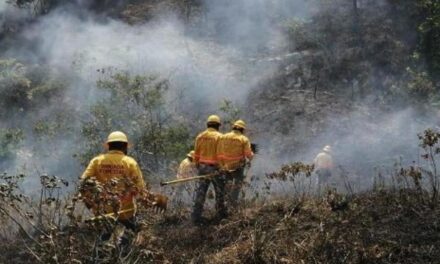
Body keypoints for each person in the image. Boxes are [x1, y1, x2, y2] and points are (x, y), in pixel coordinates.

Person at [79, 131, 146, 243]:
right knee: (127, 240)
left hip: (102, 211)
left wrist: (89, 201)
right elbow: (139, 187)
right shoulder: (130, 162)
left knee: (102, 241)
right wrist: (144, 200)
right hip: (126, 211)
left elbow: (83, 183)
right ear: (125, 146)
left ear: (109, 146)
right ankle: (123, 256)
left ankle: (101, 257)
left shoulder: (97, 161)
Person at [191, 115, 225, 224]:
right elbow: (220, 154)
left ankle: (196, 216)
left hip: (202, 167)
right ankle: (220, 215)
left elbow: (196, 154)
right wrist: (222, 167)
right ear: (218, 126)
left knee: (201, 192)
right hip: (215, 168)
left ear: (207, 125)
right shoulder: (220, 137)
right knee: (220, 192)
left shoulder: (200, 136)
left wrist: (198, 165)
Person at [217, 120, 254, 208]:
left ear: (233, 127)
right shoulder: (243, 139)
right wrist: (252, 154)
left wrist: (221, 165)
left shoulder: (223, 137)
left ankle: (225, 204)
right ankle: (233, 205)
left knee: (227, 185)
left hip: (225, 166)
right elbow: (248, 155)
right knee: (237, 185)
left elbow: (218, 152)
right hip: (238, 166)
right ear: (242, 129)